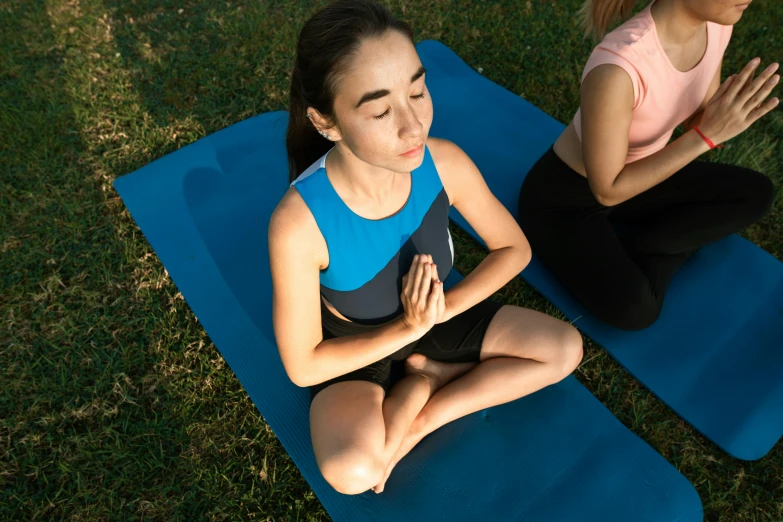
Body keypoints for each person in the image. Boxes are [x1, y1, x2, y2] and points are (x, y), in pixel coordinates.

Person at [268, 0, 583, 495]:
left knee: (563, 348)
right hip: (356, 350)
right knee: (352, 472)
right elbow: (304, 363)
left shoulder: (445, 163)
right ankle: (422, 379)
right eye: (379, 110)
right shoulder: (297, 224)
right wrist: (407, 328)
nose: (413, 126)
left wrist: (434, 316)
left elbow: (513, 249)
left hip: (437, 314)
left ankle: (423, 407)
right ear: (326, 123)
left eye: (417, 90)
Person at [517, 0, 778, 331]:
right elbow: (607, 191)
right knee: (637, 310)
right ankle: (652, 246)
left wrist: (723, 116)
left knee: (755, 193)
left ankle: (644, 246)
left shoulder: (716, 24)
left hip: (648, 176)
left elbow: (696, 118)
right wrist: (705, 136)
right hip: (568, 200)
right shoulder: (618, 68)